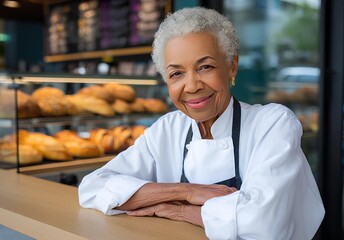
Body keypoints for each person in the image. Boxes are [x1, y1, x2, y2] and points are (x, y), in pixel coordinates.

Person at [78, 7, 324, 239]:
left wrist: (179, 210)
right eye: (176, 73)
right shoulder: (168, 129)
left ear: (232, 67)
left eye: (205, 67)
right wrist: (185, 192)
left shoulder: (272, 124)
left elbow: (264, 225)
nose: (192, 85)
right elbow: (92, 188)